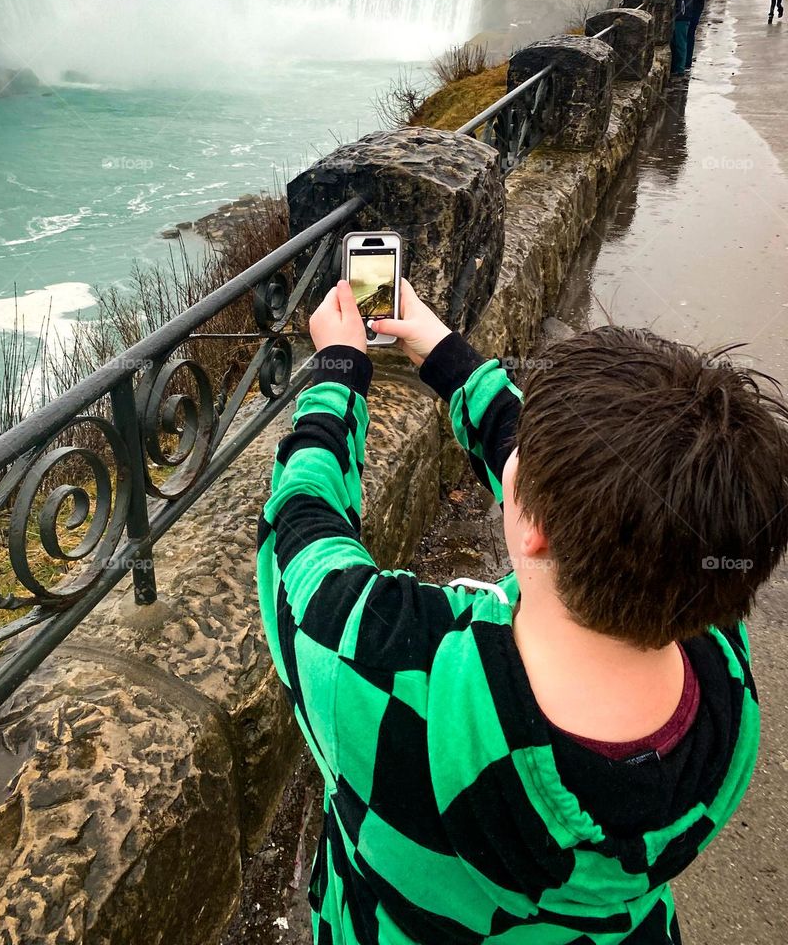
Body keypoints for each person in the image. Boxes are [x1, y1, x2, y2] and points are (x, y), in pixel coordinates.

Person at [258, 278, 788, 945]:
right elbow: (593, 489)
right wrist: (434, 343)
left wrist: (338, 371)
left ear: (532, 527)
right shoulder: (721, 663)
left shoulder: (391, 671)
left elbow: (300, 531)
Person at [653, 0, 699, 75]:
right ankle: (674, 67)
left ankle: (680, 69)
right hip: (673, 15)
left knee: (680, 43)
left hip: (683, 16)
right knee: (673, 42)